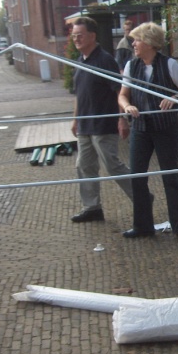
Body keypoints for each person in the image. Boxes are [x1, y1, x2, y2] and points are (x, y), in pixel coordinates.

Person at [118, 22, 178, 241]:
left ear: (150, 43)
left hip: (165, 128)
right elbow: (123, 94)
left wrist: (174, 98)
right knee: (138, 176)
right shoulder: (132, 66)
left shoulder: (169, 64)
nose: (133, 44)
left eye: (137, 39)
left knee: (170, 175)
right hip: (140, 129)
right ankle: (142, 226)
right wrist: (127, 106)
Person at [70, 16, 134, 223]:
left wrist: (122, 119)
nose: (76, 39)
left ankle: (141, 196)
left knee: (112, 165)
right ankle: (92, 207)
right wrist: (75, 119)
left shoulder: (104, 60)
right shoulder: (80, 61)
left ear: (92, 36)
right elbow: (80, 94)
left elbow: (119, 92)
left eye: (80, 35)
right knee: (84, 165)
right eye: (74, 36)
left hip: (104, 124)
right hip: (85, 125)